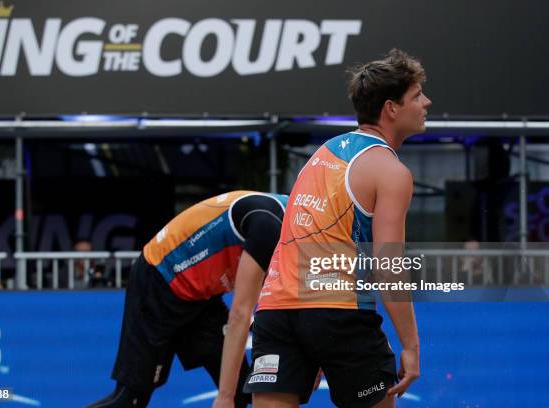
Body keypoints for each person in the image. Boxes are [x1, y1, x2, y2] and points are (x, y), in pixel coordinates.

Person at [244, 49, 431, 408]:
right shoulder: (390, 172)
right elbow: (389, 266)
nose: (426, 102)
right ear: (392, 108)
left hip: (275, 311)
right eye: (417, 95)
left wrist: (308, 345)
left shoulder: (322, 153)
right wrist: (410, 346)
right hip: (337, 311)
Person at [87, 190, 288, 408]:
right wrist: (224, 396)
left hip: (201, 295)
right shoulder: (270, 225)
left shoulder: (299, 225)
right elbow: (240, 314)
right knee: (131, 400)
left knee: (239, 392)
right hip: (160, 278)